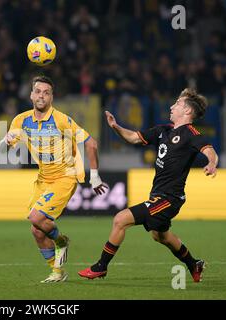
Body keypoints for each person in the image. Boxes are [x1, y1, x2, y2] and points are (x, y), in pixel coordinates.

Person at [78, 88, 218, 282]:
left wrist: (211, 163)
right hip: (158, 195)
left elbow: (209, 150)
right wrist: (116, 127)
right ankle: (194, 264)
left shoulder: (191, 133)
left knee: (120, 219)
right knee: (160, 236)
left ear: (187, 111)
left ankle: (100, 267)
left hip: (170, 199)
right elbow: (134, 137)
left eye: (177, 103)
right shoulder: (164, 130)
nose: (171, 106)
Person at [0, 76, 108, 283]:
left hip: (65, 178)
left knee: (35, 218)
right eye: (38, 91)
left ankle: (61, 241)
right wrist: (5, 141)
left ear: (51, 97)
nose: (41, 95)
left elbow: (91, 144)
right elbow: (3, 149)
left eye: (46, 92)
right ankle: (58, 272)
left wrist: (94, 177)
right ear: (31, 95)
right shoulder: (20, 120)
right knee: (37, 230)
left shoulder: (61, 120)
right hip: (43, 179)